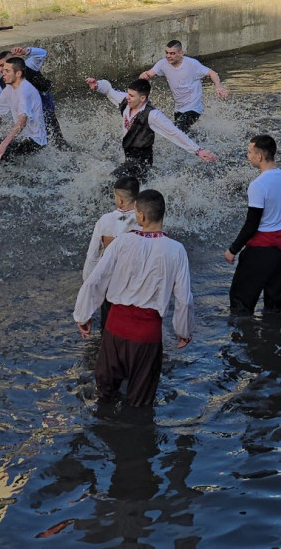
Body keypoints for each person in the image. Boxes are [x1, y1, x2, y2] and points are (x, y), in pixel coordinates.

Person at [73, 188, 193, 408]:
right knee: (140, 404)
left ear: (141, 216)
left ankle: (104, 435)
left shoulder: (122, 242)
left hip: (114, 332)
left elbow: (95, 280)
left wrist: (83, 315)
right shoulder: (177, 250)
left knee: (105, 397)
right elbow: (184, 299)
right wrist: (183, 331)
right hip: (147, 337)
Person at [224, 134, 281, 316]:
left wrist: (233, 249)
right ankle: (272, 338)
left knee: (241, 302)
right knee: (275, 306)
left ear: (260, 156)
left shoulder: (258, 185)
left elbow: (252, 223)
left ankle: (242, 341)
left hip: (260, 251)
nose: (247, 156)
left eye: (250, 152)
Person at [85, 76, 216, 177]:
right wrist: (98, 85)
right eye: (128, 94)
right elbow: (109, 90)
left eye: (131, 96)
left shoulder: (153, 115)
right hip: (129, 158)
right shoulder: (126, 102)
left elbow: (174, 132)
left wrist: (198, 151)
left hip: (142, 162)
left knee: (113, 181)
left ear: (142, 99)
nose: (127, 98)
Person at [138, 39, 229, 131]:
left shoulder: (192, 64)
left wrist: (219, 87)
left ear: (181, 53)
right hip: (178, 109)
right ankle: (200, 140)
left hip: (194, 108)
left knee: (178, 130)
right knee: (181, 134)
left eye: (172, 53)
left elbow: (212, 73)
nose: (168, 56)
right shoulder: (162, 63)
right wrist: (144, 76)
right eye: (167, 53)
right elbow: (149, 73)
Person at [82, 175, 141, 282]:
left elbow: (93, 255)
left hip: (109, 282)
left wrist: (88, 282)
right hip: (134, 282)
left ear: (120, 200)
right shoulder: (143, 221)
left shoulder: (105, 220)